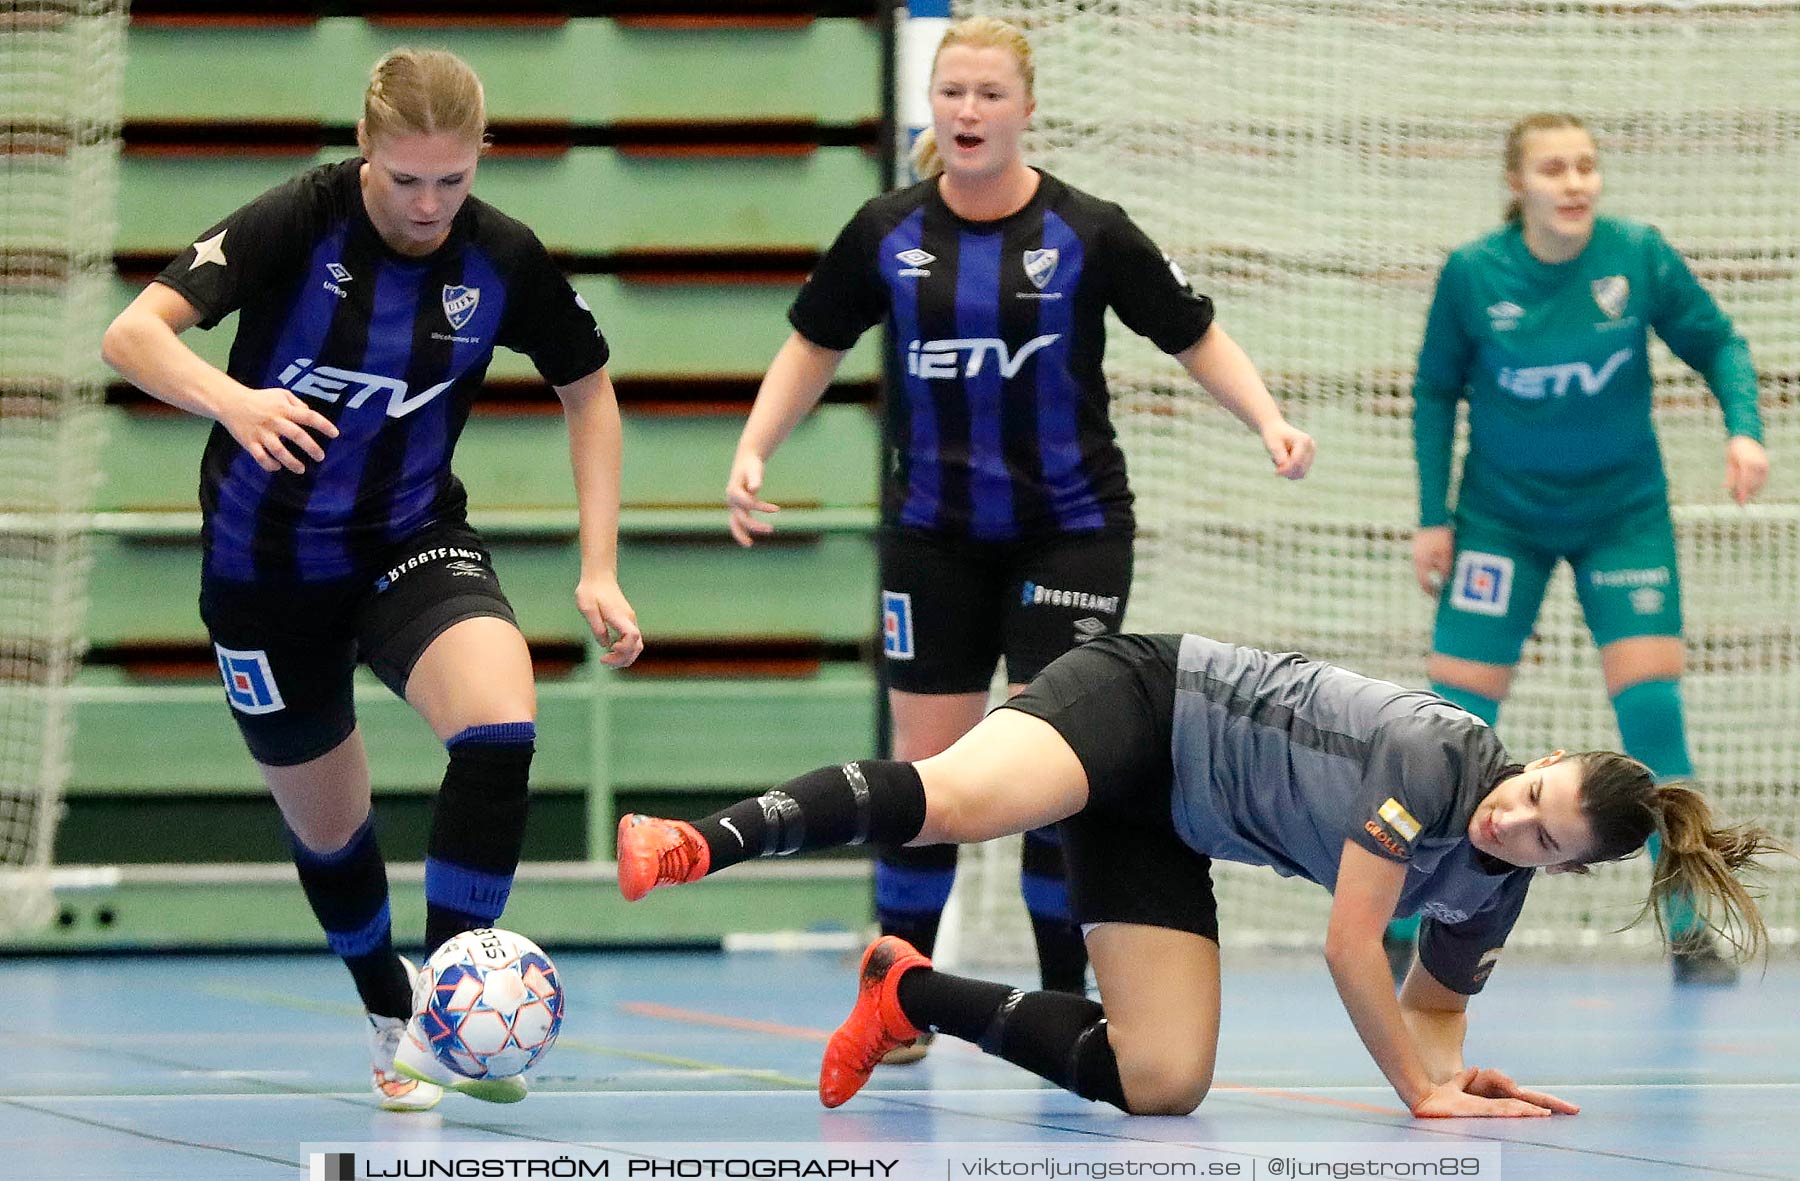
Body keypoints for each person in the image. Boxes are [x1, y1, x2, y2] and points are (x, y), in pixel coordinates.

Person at [723, 17, 1314, 1052]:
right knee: (930, 765)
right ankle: (894, 997)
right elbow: (813, 343)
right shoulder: (886, 233)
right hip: (934, 538)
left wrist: (1267, 419)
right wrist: (754, 448)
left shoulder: (1087, 230)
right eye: (952, 92)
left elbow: (1190, 331)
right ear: (933, 107)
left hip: (1071, 534)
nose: (968, 111)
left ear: (1027, 109)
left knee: (1051, 763)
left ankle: (1068, 998)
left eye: (990, 94)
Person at [100, 48, 641, 1111]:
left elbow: (590, 392)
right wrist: (236, 402)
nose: (430, 203)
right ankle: (388, 1010)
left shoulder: (504, 259)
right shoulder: (295, 221)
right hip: (266, 571)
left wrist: (601, 565)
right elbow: (131, 335)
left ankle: (450, 1005)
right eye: (406, 180)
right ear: (366, 150)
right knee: (331, 829)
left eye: (454, 179)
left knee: (500, 722)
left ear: (482, 158)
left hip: (410, 538)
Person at [614, 632, 1778, 1117]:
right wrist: (1422, 1089)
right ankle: (697, 839)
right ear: (1550, 753)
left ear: (1560, 869)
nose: (1514, 815)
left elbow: (1430, 1013)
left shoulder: (1489, 891)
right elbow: (1348, 944)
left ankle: (905, 991)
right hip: (1140, 702)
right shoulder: (1438, 753)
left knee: (1162, 1078)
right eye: (1536, 790)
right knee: (957, 800)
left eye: (1542, 837)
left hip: (1169, 823)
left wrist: (1454, 1071)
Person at [1404, 112, 1770, 985]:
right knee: (1451, 725)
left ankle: (1687, 928)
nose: (1574, 183)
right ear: (1517, 185)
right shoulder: (1474, 274)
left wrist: (1744, 430)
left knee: (1653, 718)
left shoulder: (1636, 254)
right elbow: (1432, 392)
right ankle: (1401, 911)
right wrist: (1432, 515)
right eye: (1554, 168)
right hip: (1501, 519)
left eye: (1587, 166)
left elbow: (1719, 341)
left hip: (1622, 516)